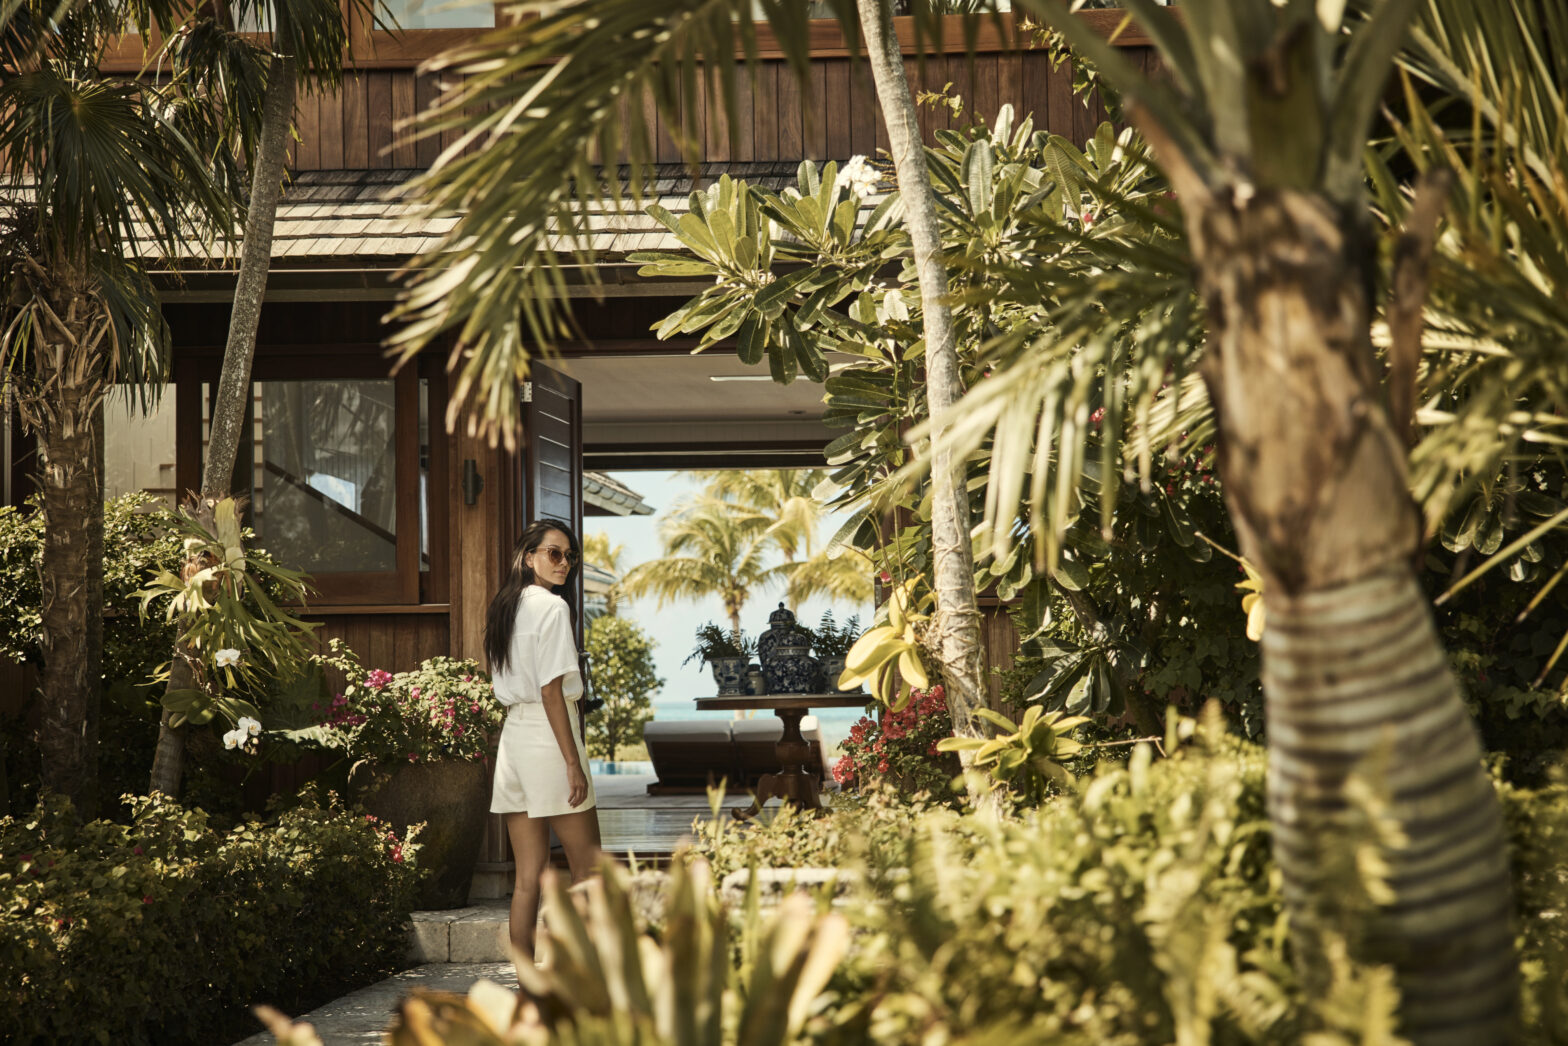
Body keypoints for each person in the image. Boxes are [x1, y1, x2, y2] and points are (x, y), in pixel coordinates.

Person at [484, 518, 602, 968]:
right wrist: (572, 762)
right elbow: (552, 690)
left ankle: (526, 981)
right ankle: (588, 972)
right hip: (550, 740)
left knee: (528, 877)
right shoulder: (552, 609)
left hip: (514, 740)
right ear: (528, 556)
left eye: (569, 556)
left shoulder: (505, 607)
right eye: (554, 553)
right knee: (588, 869)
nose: (564, 563)